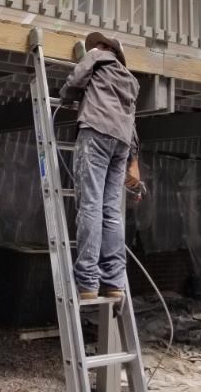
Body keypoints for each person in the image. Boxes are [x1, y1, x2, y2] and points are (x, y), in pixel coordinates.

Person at [59, 31, 140, 300]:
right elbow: (132, 120)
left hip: (96, 131)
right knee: (110, 210)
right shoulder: (129, 79)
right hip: (122, 142)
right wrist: (132, 158)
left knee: (90, 205)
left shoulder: (96, 58)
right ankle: (115, 281)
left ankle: (88, 281)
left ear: (104, 47)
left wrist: (67, 98)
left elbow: (76, 80)